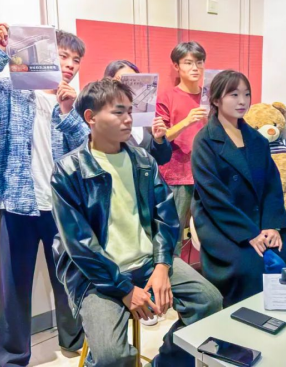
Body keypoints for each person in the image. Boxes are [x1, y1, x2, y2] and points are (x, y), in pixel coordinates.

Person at [51, 77, 222, 367]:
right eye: (118, 112)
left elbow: (166, 217)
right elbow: (79, 244)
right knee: (112, 356)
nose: (128, 119)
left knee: (209, 301)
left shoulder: (143, 160)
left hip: (147, 262)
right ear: (91, 117)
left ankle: (166, 361)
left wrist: (162, 265)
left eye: (130, 111)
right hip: (96, 275)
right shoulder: (69, 169)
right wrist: (125, 290)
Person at [0, 24, 88, 366]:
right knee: (13, 286)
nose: (70, 65)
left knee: (70, 278)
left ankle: (74, 340)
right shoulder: (12, 91)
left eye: (76, 60)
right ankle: (13, 357)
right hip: (17, 203)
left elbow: (88, 151)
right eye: (63, 56)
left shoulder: (75, 101)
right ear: (45, 56)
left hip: (62, 207)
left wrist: (68, 112)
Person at [191, 70, 286, 307]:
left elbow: (271, 185)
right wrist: (249, 233)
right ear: (216, 99)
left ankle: (284, 318)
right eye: (234, 95)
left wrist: (271, 225)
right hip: (223, 224)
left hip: (261, 220)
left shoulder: (257, 140)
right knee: (248, 267)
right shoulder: (205, 141)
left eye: (246, 94)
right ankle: (243, 321)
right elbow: (214, 198)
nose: (242, 101)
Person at [156, 42, 209, 254]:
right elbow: (161, 137)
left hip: (206, 172)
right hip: (176, 174)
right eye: (188, 63)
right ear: (176, 66)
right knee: (173, 233)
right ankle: (169, 271)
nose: (195, 68)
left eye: (199, 62)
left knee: (210, 230)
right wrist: (187, 121)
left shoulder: (210, 97)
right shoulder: (167, 97)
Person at [104, 59, 172, 165]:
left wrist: (159, 139)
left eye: (135, 80)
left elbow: (163, 159)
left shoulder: (147, 120)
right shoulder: (105, 119)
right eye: (124, 80)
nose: (129, 87)